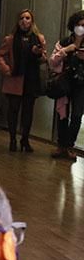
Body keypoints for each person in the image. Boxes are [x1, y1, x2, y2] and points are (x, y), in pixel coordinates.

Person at [0, 10, 46, 153]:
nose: (24, 21)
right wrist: (6, 69)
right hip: (15, 78)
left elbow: (44, 59)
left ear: (32, 21)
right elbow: (0, 55)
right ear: (18, 21)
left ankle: (25, 139)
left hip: (31, 79)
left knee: (28, 112)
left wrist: (38, 54)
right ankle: (12, 139)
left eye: (28, 18)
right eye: (21, 18)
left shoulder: (39, 38)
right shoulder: (11, 39)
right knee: (13, 110)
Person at [48, 10, 84, 160]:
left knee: (77, 115)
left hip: (81, 84)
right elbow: (52, 62)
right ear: (73, 26)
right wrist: (65, 51)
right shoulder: (64, 42)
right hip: (65, 83)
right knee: (62, 114)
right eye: (79, 25)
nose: (82, 28)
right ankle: (61, 146)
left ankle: (69, 145)